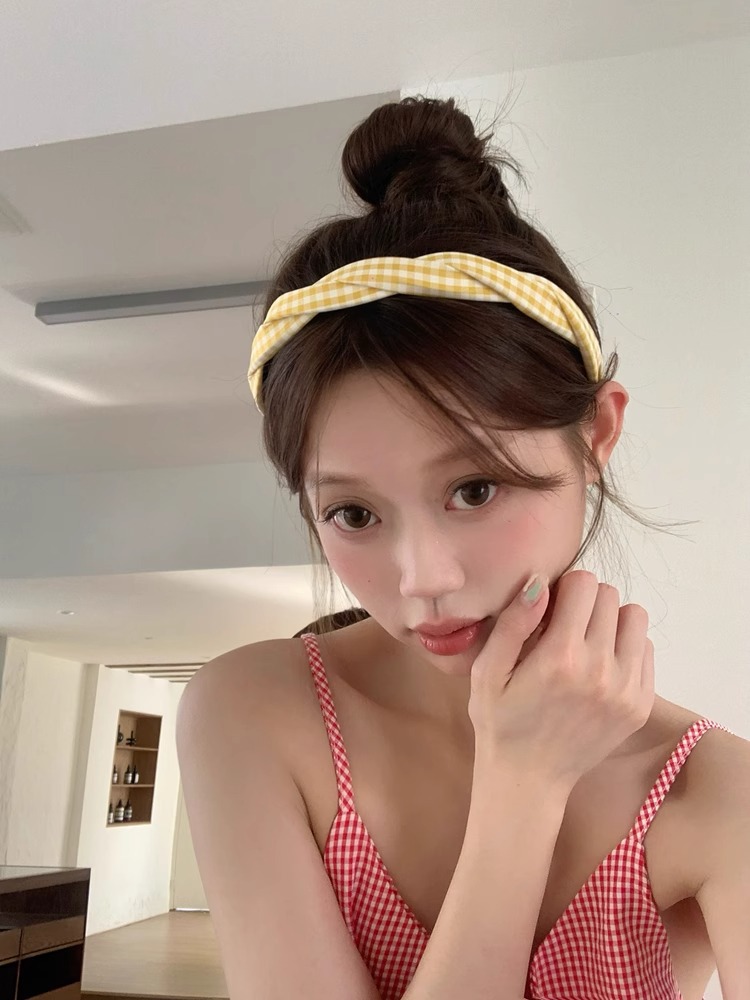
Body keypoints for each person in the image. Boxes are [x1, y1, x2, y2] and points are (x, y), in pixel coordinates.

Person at [177, 97, 749, 1000]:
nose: (423, 580)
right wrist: (522, 788)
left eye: (475, 490)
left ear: (596, 434)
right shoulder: (254, 713)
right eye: (353, 513)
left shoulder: (715, 795)